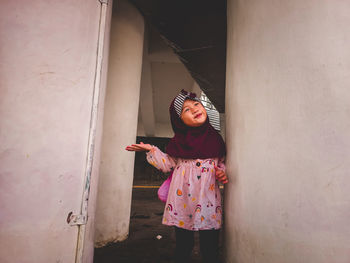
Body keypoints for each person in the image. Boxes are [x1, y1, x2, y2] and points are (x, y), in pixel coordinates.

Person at [126, 89, 228, 263]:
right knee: (183, 246)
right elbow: (166, 165)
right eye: (186, 110)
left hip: (208, 202)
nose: (195, 109)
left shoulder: (215, 140)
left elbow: (220, 163)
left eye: (196, 104)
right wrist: (151, 149)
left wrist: (221, 172)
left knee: (209, 247)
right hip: (182, 203)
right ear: (179, 121)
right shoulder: (178, 143)